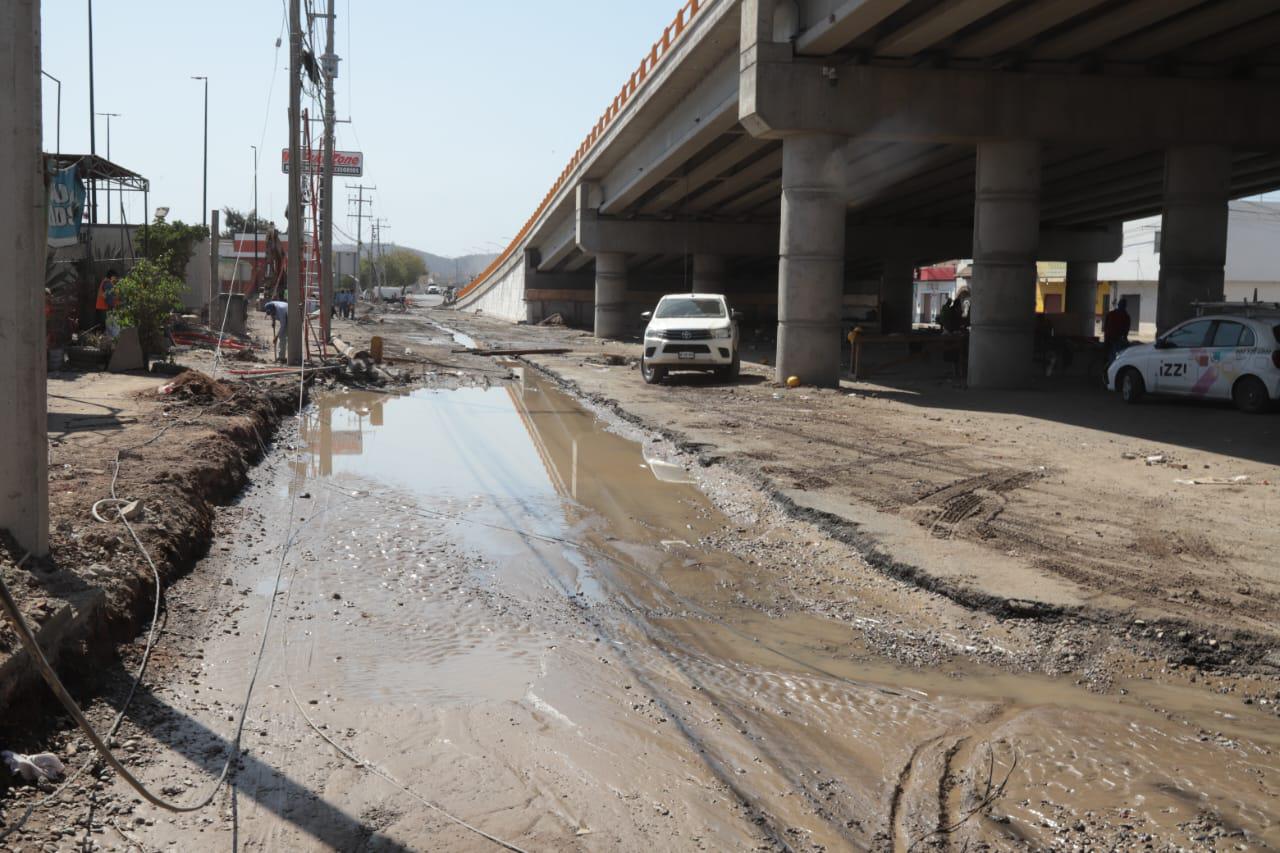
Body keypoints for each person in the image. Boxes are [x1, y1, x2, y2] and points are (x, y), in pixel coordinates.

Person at [1103, 297, 1131, 363]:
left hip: (1112, 338)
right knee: (1113, 356)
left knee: (1109, 355)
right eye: (1122, 304)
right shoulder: (1125, 316)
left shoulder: (1111, 314)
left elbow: (1105, 326)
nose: (1122, 306)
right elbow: (1126, 330)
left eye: (1123, 304)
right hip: (1113, 339)